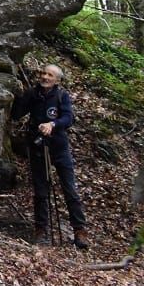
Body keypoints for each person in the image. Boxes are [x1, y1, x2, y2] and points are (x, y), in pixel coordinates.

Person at [10, 62, 89, 249]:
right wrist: (17, 96)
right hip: (37, 148)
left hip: (59, 147)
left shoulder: (62, 96)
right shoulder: (33, 93)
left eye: (50, 75)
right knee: (40, 191)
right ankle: (41, 230)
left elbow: (68, 118)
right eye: (43, 74)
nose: (45, 77)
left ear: (57, 80)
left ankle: (80, 230)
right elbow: (16, 114)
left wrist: (52, 125)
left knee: (70, 189)